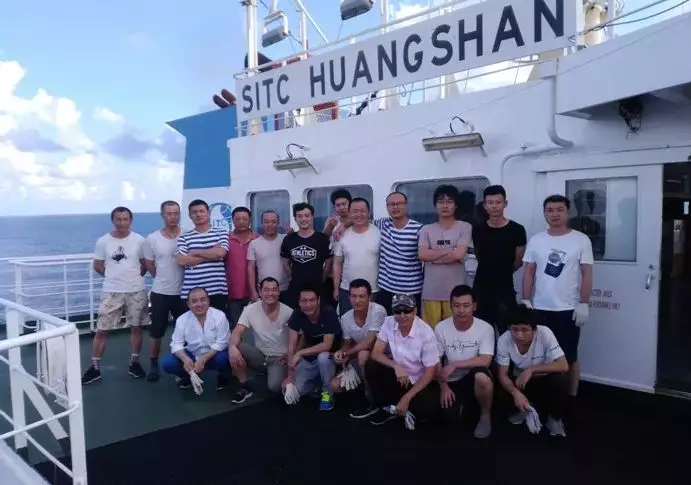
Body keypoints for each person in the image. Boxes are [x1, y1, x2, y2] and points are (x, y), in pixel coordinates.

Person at [522, 194, 593, 404]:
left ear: (568, 212)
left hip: (568, 308)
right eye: (550, 210)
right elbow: (529, 272)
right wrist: (526, 300)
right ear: (544, 213)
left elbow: (587, 273)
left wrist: (584, 303)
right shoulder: (537, 240)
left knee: (569, 356)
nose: (554, 214)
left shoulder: (581, 240)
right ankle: (538, 399)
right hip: (540, 308)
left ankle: (571, 398)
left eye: (559, 210)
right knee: (539, 355)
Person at [82, 206, 149, 385]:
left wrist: (133, 278)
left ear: (130, 220)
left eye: (125, 219)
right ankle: (95, 367)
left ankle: (134, 363)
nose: (122, 223)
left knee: (136, 328)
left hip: (136, 290)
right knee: (102, 329)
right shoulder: (103, 241)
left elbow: (144, 264)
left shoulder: (139, 240)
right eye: (118, 219)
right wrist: (113, 277)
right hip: (111, 291)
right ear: (113, 220)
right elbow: (98, 266)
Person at [366, 294, 440, 429]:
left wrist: (407, 397)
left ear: (415, 311)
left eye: (407, 311)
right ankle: (389, 406)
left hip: (418, 379)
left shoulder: (426, 333)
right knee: (371, 365)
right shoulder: (388, 322)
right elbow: (376, 353)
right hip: (398, 375)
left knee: (427, 410)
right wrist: (396, 366)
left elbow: (430, 372)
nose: (402, 315)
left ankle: (399, 405)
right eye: (397, 311)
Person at [496, 305, 569, 437]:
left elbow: (564, 365)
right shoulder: (504, 339)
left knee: (562, 380)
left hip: (544, 378)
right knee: (501, 387)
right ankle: (522, 409)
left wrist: (532, 369)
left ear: (534, 329)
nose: (519, 335)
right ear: (509, 328)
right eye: (514, 329)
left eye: (525, 330)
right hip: (521, 382)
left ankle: (555, 418)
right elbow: (502, 374)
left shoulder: (544, 333)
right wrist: (515, 393)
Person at [435, 285, 495, 439]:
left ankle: (485, 416)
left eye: (466, 305)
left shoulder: (485, 328)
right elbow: (435, 360)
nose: (461, 310)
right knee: (451, 419)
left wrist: (455, 364)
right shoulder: (441, 327)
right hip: (450, 380)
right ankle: (465, 407)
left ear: (474, 306)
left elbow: (486, 360)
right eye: (456, 305)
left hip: (473, 377)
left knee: (482, 377)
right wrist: (443, 386)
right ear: (450, 307)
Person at [472, 185, 527, 335]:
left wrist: (503, 270)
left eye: (498, 202)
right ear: (485, 205)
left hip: (505, 288)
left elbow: (519, 260)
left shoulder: (517, 229)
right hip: (481, 288)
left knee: (507, 331)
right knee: (482, 332)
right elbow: (478, 255)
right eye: (490, 203)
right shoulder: (477, 229)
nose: (494, 206)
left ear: (505, 203)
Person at [229, 277, 293, 404]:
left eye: (274, 290)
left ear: (278, 292)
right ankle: (244, 386)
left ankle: (274, 373)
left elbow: (300, 337)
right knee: (235, 347)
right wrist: (232, 348)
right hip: (260, 355)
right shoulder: (250, 309)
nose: (270, 293)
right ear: (260, 291)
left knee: (274, 387)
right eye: (266, 290)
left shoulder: (289, 312)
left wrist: (291, 355)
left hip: (280, 359)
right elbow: (237, 331)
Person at [142, 201, 186, 382]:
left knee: (185, 330)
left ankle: (185, 363)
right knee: (157, 331)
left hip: (184, 293)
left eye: (176, 213)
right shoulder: (152, 239)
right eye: (169, 213)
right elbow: (149, 263)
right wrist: (161, 277)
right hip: (161, 292)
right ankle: (154, 365)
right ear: (162, 215)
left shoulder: (186, 235)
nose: (173, 217)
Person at [330, 279, 387, 419]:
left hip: (380, 358)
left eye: (362, 296)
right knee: (335, 385)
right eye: (354, 296)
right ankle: (360, 388)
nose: (357, 300)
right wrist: (341, 354)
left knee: (363, 354)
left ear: (369, 297)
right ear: (349, 297)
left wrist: (346, 353)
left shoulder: (378, 311)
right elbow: (347, 343)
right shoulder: (345, 318)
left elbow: (369, 342)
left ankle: (371, 400)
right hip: (360, 358)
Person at [418, 185, 472, 327]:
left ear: (456, 205)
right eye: (441, 202)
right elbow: (422, 254)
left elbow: (459, 254)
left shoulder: (465, 227)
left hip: (457, 294)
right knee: (431, 332)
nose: (445, 205)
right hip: (431, 292)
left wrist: (433, 255)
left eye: (449, 202)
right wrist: (450, 250)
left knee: (455, 331)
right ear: (435, 205)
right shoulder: (426, 229)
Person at [160, 287, 231, 391]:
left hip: (214, 354)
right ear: (188, 304)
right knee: (167, 363)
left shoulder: (219, 316)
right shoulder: (182, 320)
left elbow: (222, 343)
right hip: (193, 354)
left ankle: (224, 376)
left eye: (203, 300)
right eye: (194, 301)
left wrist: (203, 359)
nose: (199, 304)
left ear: (208, 301)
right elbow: (176, 344)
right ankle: (187, 376)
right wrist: (185, 358)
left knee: (224, 358)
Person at [283, 285, 341, 411]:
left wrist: (300, 353)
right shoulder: (297, 313)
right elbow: (291, 345)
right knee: (292, 390)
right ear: (299, 302)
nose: (308, 305)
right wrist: (290, 377)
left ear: (318, 300)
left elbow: (327, 345)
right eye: (304, 301)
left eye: (312, 300)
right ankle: (318, 383)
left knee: (323, 357)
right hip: (311, 357)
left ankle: (328, 394)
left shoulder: (328, 312)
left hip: (333, 357)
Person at [374, 191, 424, 316]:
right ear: (387, 207)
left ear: (406, 205)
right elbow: (361, 221)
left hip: (411, 290)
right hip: (386, 289)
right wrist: (341, 225)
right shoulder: (382, 224)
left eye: (399, 203)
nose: (395, 207)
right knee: (386, 324)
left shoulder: (418, 229)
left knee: (410, 325)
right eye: (391, 204)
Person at [177, 199, 229, 314]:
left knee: (218, 323)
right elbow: (182, 261)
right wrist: (211, 253)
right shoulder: (184, 237)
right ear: (190, 216)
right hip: (192, 293)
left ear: (208, 213)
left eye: (201, 211)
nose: (198, 214)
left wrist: (194, 252)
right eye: (194, 212)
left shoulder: (221, 232)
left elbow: (221, 253)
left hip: (217, 289)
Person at [332, 198, 381, 316]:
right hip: (347, 291)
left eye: (362, 211)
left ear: (369, 212)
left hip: (373, 290)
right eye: (355, 211)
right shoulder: (341, 234)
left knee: (373, 323)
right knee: (347, 322)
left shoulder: (379, 232)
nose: (359, 214)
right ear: (349, 213)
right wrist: (336, 288)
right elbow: (337, 263)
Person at [280, 203, 332, 308]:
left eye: (307, 215)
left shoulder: (322, 239)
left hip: (318, 288)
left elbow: (328, 263)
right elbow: (285, 263)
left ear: (312, 217)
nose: (303, 219)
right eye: (299, 216)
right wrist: (295, 276)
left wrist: (321, 279)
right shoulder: (289, 239)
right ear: (295, 218)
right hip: (295, 289)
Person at [224, 206, 259, 325]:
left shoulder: (258, 239)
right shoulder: (225, 240)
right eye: (238, 219)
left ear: (250, 220)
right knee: (236, 328)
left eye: (244, 219)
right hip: (232, 293)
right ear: (232, 221)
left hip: (256, 292)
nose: (241, 222)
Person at [247, 210, 290, 305]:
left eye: (273, 222)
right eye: (266, 222)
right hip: (264, 291)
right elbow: (251, 268)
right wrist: (253, 291)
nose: (270, 225)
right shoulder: (254, 243)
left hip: (285, 289)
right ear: (262, 223)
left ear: (278, 223)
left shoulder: (286, 240)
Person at [323, 188, 352, 309]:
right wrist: (330, 226)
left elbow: (356, 219)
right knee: (330, 305)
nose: (341, 207)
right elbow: (323, 239)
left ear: (350, 203)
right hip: (332, 270)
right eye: (338, 205)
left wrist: (345, 224)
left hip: (348, 270)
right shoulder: (332, 220)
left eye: (344, 204)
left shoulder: (356, 219)